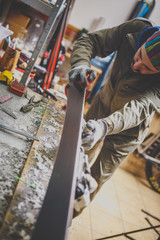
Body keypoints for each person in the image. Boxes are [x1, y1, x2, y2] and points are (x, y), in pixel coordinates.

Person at [69, 17, 160, 215]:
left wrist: (105, 126)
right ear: (143, 41)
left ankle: (66, 219)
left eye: (146, 69)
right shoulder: (135, 29)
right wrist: (80, 64)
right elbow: (91, 41)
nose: (136, 66)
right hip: (102, 105)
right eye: (138, 57)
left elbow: (139, 107)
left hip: (129, 129)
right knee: (75, 157)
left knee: (93, 181)